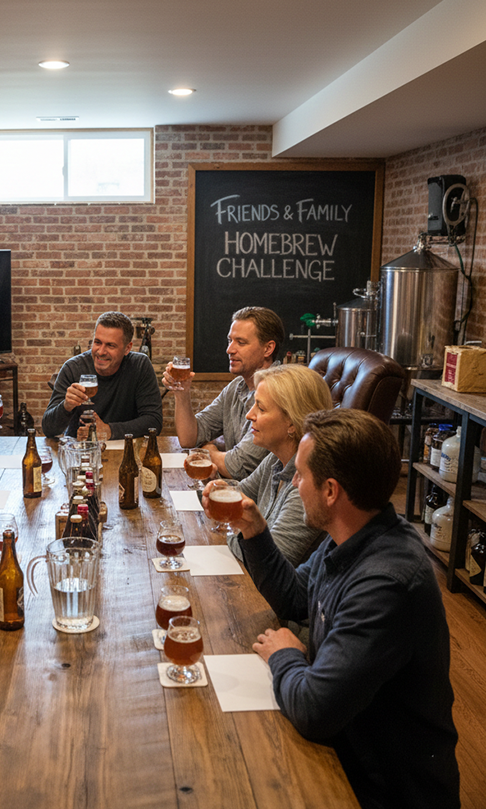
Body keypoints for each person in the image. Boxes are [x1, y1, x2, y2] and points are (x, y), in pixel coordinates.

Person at [236, 408, 460, 809]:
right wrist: (254, 529)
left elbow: (314, 708)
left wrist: (285, 654)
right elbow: (296, 597)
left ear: (331, 491)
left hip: (382, 790)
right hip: (345, 752)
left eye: (301, 475)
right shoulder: (352, 535)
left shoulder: (387, 583)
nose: (294, 482)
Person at [207, 363, 333, 567]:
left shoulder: (308, 483)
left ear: (292, 423)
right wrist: (212, 489)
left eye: (261, 408)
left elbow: (270, 560)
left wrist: (221, 535)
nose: (250, 415)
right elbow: (241, 492)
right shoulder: (276, 459)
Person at [163, 306, 284, 479]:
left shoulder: (278, 391)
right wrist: (182, 393)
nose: (229, 350)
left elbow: (237, 466)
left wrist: (207, 451)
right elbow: (189, 438)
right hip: (233, 490)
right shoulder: (237, 387)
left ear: (268, 349)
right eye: (230, 341)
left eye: (241, 343)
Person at [41, 311, 163, 440]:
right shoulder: (72, 368)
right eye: (98, 342)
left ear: (127, 348)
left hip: (127, 451)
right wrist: (66, 406)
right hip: (81, 451)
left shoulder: (140, 366)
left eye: (110, 345)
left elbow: (154, 422)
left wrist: (109, 430)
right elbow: (48, 429)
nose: (101, 351)